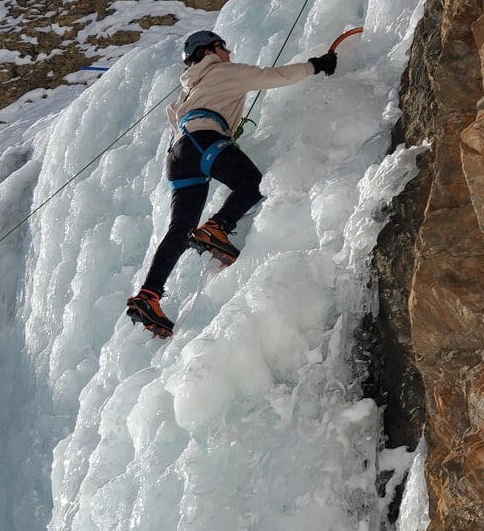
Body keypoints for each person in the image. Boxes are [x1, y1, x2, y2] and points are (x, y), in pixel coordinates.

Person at [126, 30, 337, 338]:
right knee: (252, 182)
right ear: (206, 51)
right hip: (204, 141)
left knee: (180, 228)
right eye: (222, 46)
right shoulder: (225, 71)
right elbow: (275, 76)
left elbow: (174, 115)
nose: (228, 52)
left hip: (178, 153)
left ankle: (148, 296)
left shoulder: (187, 90)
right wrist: (316, 65)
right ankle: (218, 227)